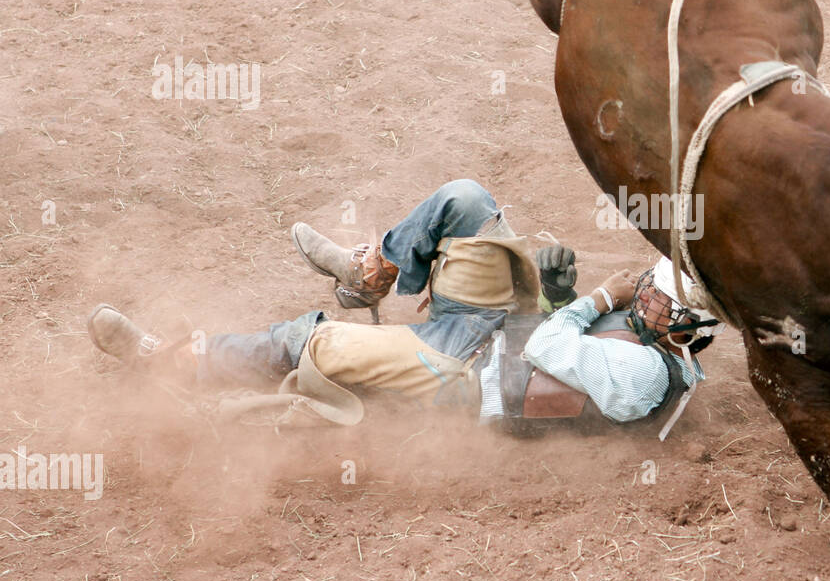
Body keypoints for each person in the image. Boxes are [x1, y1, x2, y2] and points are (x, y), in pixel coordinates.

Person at [87, 180, 717, 430]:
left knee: (310, 341)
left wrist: (599, 296)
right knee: (468, 201)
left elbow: (553, 351)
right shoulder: (649, 344)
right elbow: (561, 342)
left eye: (664, 298)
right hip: (497, 329)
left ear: (686, 329)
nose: (651, 292)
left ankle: (166, 361)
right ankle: (370, 274)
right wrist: (558, 293)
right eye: (656, 285)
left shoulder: (646, 372)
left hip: (465, 370)